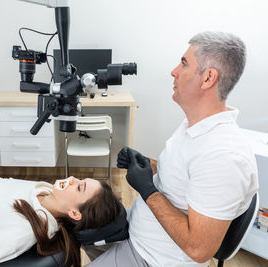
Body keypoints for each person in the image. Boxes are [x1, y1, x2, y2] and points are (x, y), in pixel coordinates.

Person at [86, 31, 259, 267]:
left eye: (184, 63)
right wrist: (148, 165)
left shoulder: (224, 157)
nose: (174, 71)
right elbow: (183, 178)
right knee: (74, 222)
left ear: (208, 78)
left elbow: (198, 249)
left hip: (154, 258)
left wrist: (147, 190)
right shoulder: (194, 126)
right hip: (139, 231)